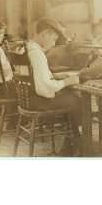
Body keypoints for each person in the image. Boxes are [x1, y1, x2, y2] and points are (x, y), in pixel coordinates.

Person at [27, 17, 82, 155]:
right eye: (53, 39)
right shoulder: (37, 53)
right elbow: (44, 88)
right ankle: (73, 144)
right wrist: (67, 82)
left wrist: (54, 76)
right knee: (77, 99)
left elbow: (38, 77)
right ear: (44, 34)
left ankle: (71, 140)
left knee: (69, 96)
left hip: (28, 98)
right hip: (39, 101)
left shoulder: (28, 47)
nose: (54, 43)